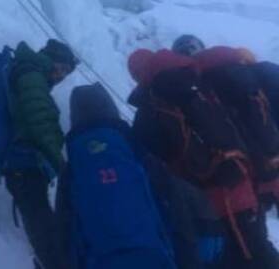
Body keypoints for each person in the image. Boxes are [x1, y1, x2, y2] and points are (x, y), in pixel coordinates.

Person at [128, 45, 278, 268]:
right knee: (256, 251)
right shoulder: (198, 86)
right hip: (241, 181)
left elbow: (156, 167)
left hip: (206, 201)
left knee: (237, 257)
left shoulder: (150, 112)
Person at [57, 83, 222, 269]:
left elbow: (65, 228)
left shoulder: (72, 167)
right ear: (111, 110)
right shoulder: (137, 151)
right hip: (155, 257)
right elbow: (175, 202)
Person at [3, 39, 78, 269]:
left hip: (23, 163)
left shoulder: (31, 74)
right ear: (51, 59)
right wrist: (61, 163)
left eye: (66, 72)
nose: (61, 75)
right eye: (61, 68)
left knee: (41, 223)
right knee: (42, 225)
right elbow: (40, 122)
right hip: (23, 164)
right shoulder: (32, 76)